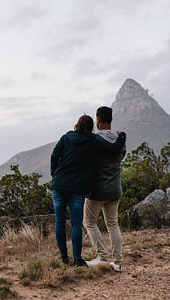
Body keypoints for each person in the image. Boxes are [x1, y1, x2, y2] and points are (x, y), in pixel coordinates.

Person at [50, 114, 126, 267]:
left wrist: (55, 174)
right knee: (77, 224)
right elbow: (114, 149)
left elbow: (54, 156)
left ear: (77, 124)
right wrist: (122, 135)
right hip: (78, 188)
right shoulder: (93, 142)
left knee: (60, 222)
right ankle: (77, 259)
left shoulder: (66, 137)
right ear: (92, 126)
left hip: (59, 185)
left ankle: (64, 257)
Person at [83, 106, 126, 272]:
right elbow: (120, 158)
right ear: (111, 120)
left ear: (98, 121)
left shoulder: (93, 141)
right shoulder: (120, 140)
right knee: (113, 224)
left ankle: (102, 257)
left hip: (97, 190)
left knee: (89, 222)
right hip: (115, 189)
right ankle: (118, 262)